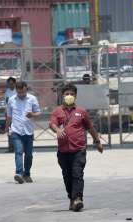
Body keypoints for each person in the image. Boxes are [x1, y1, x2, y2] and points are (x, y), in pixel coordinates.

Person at [49, 83, 103, 212]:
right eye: (67, 94)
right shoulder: (57, 111)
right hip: (63, 151)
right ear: (62, 96)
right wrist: (57, 130)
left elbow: (90, 127)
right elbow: (52, 124)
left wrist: (97, 141)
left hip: (79, 149)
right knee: (67, 176)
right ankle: (72, 199)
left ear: (75, 96)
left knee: (77, 174)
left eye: (72, 94)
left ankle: (78, 198)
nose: (69, 96)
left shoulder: (81, 112)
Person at [5, 81, 41, 184]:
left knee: (29, 154)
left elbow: (39, 112)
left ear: (26, 90)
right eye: (19, 92)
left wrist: (33, 114)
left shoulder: (32, 99)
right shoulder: (11, 100)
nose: (21, 94)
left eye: (23, 92)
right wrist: (7, 127)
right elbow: (9, 115)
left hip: (28, 131)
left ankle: (27, 174)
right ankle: (19, 173)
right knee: (19, 152)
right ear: (16, 90)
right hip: (16, 131)